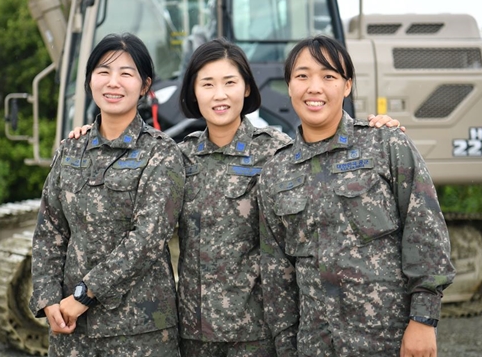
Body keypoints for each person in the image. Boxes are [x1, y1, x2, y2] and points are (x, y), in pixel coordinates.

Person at [69, 37, 402, 356]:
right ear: (194, 92)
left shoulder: (276, 152)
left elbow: (326, 165)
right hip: (193, 333)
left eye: (229, 82)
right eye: (207, 84)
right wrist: (92, 135)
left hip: (257, 333)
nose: (219, 95)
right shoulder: (177, 158)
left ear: (246, 87)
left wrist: (373, 129)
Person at [258, 35, 456, 357]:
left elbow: (425, 231)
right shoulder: (276, 172)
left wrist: (423, 319)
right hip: (315, 345)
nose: (314, 87)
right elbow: (276, 270)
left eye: (329, 76)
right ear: (289, 86)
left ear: (347, 85)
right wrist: (285, 344)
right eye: (302, 76)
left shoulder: (386, 144)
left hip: (387, 341)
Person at [30, 33, 184, 357]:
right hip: (72, 331)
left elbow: (146, 239)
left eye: (126, 73)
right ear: (89, 81)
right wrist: (47, 300)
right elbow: (50, 230)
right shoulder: (71, 149)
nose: (113, 82)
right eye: (103, 71)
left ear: (144, 86)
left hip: (139, 333)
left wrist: (85, 295)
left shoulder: (161, 153)